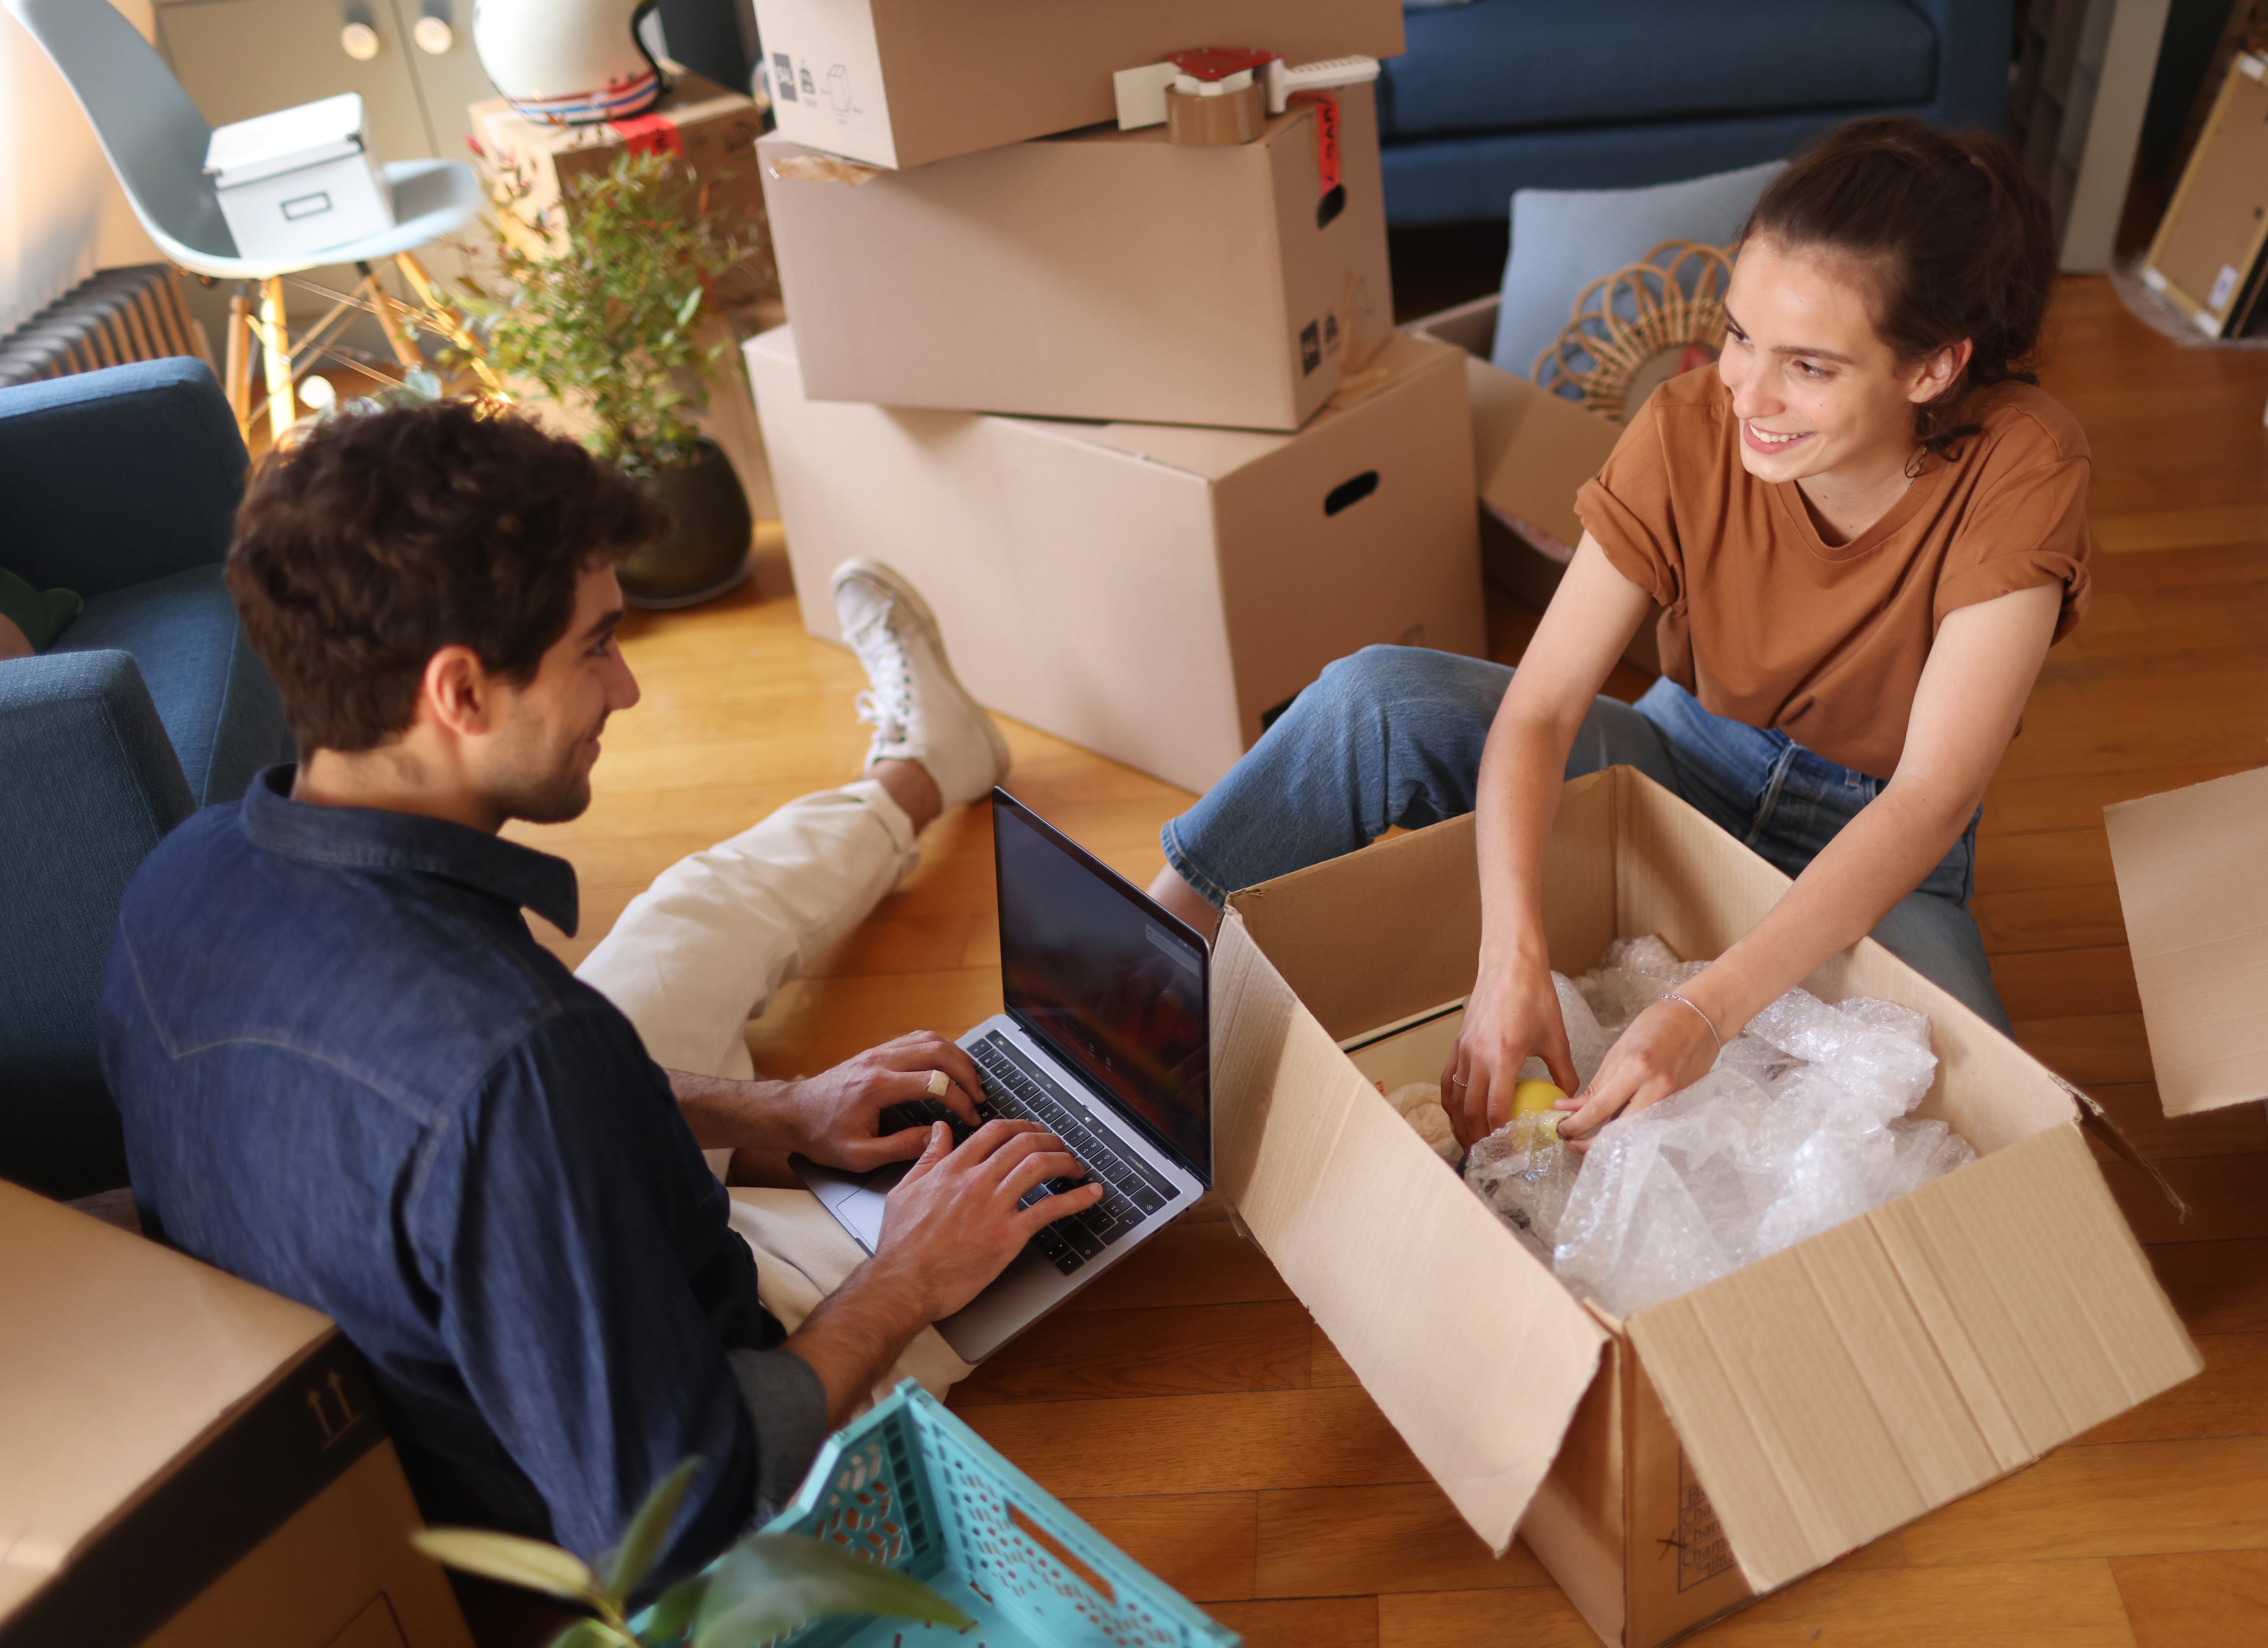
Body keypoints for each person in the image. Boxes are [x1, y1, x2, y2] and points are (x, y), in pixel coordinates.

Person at [98, 400, 1100, 1583]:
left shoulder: (179, 876)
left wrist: (773, 1114)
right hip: (661, 1444)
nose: (623, 691)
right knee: (1027, 1172)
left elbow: (452, 1116)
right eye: (596, 648)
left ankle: (923, 766)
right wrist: (907, 1277)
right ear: (459, 693)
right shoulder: (521, 1063)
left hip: (459, 1315)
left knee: (687, 913)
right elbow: (675, 1515)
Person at [1144, 117, 2089, 1149]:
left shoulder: (2023, 466)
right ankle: (1132, 971)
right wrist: (1508, 959)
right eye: (1738, 335)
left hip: (1872, 832)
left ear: (1932, 370)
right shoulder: (1687, 425)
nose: (1748, 393)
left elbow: (1928, 797)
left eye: (1810, 368)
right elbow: (1541, 708)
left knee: (1998, 1132)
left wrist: (1701, 1011)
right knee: (1375, 700)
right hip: (1681, 762)